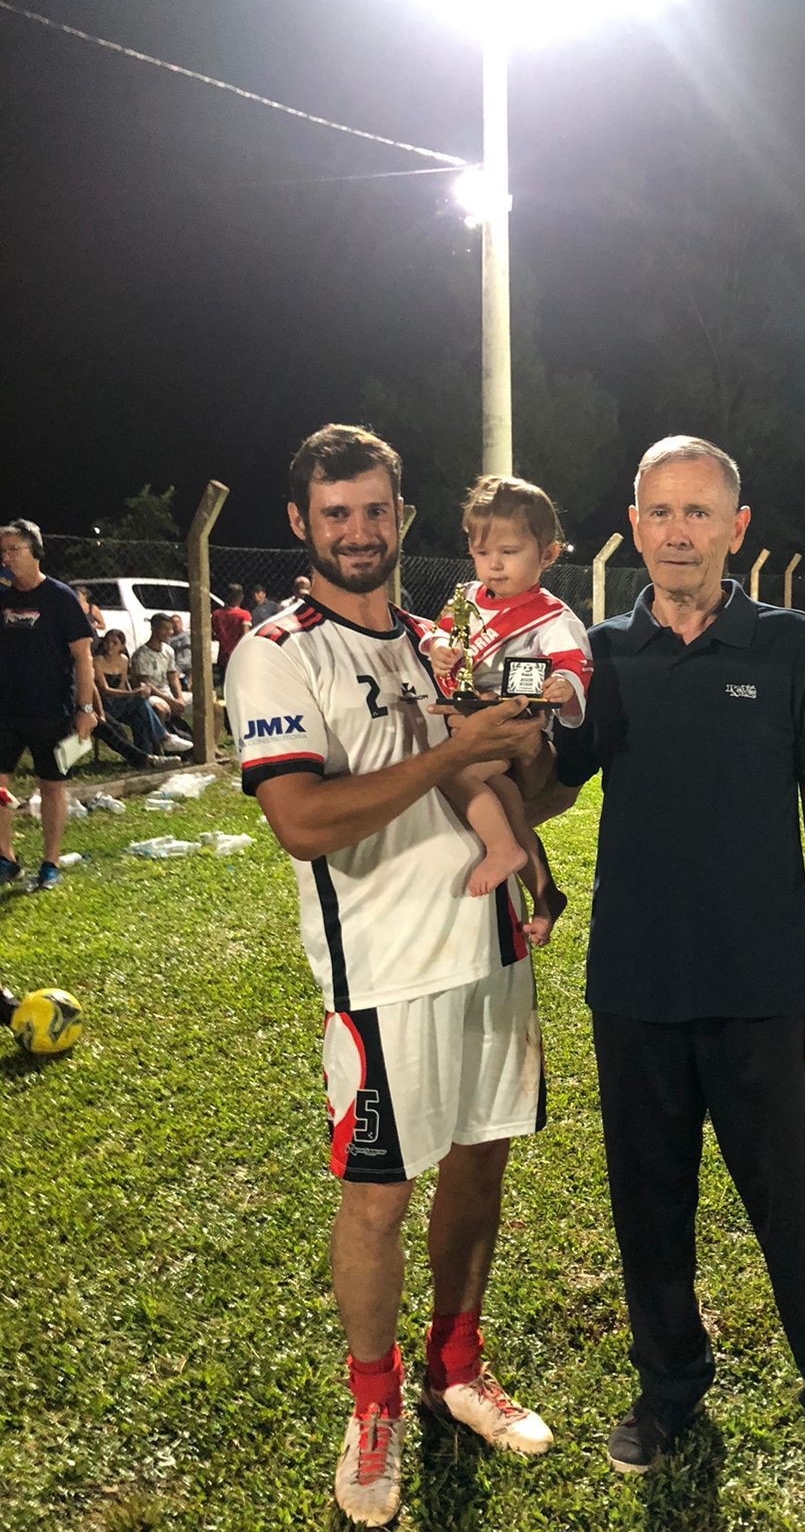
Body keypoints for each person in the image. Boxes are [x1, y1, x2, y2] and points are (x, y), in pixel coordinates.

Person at [546, 437, 805, 1516]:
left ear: (737, 528)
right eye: (660, 512)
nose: (679, 532)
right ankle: (669, 1391)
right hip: (636, 987)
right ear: (636, 524)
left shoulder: (791, 646)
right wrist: (502, 735)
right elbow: (554, 790)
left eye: (700, 512)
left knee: (802, 1214)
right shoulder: (601, 652)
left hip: (764, 991)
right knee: (649, 1213)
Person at [225, 423, 556, 1526]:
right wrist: (453, 755)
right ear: (299, 525)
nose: (358, 533)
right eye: (335, 515)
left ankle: (455, 1366)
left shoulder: (440, 639)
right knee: (377, 1198)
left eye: (375, 510)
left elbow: (516, 790)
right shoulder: (277, 650)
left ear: (402, 516)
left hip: (491, 952)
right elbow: (303, 820)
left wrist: (529, 763)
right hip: (382, 975)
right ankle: (372, 1409)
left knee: (479, 1171)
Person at [420, 474, 591, 945]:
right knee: (505, 797)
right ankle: (543, 892)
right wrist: (438, 648)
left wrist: (564, 684)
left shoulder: (553, 616)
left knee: (453, 770)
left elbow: (575, 664)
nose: (493, 566)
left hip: (514, 721)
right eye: (481, 553)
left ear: (548, 554)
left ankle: (500, 850)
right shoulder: (466, 597)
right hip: (469, 710)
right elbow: (440, 633)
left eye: (509, 553)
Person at [0, 519, 97, 890]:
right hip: (6, 709)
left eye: (14, 550)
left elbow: (83, 657)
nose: (7, 558)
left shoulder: (60, 598)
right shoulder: (3, 594)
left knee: (51, 786)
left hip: (49, 708)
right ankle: (6, 858)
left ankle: (50, 862)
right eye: (3, 551)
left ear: (35, 551)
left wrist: (85, 709)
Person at [95, 629, 191, 757]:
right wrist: (133, 694)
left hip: (120, 701)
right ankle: (164, 737)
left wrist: (134, 694)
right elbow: (105, 689)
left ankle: (146, 754)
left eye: (114, 643)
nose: (110, 646)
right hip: (106, 704)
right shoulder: (97, 661)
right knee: (139, 703)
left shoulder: (123, 660)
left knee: (139, 714)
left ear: (122, 646)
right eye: (107, 642)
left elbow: (123, 684)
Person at [130, 614, 193, 738]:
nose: (169, 632)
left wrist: (179, 698)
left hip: (168, 692)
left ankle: (210, 746)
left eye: (170, 629)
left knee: (213, 706)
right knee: (160, 709)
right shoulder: (142, 654)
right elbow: (146, 686)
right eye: (165, 629)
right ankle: (160, 748)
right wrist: (171, 702)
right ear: (153, 628)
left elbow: (173, 677)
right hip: (151, 695)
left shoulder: (169, 650)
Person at [211, 584, 251, 677]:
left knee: (224, 682)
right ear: (240, 597)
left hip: (223, 655)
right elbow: (245, 635)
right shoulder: (244, 615)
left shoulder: (216, 614)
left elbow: (213, 632)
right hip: (239, 653)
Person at [167, 613, 192, 688]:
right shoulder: (168, 639)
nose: (176, 624)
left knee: (195, 671)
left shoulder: (189, 634)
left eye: (177, 622)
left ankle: (189, 688)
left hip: (190, 662)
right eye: (173, 622)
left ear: (181, 623)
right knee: (173, 675)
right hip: (177, 663)